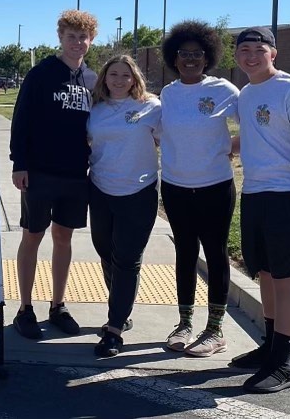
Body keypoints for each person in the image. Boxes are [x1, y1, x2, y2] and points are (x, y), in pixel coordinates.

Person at [9, 9, 98, 339]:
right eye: (71, 37)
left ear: (91, 41)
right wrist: (19, 163)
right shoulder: (42, 73)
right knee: (32, 236)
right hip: (40, 171)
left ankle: (57, 304)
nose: (77, 43)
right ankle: (25, 307)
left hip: (76, 173)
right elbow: (22, 119)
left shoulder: (92, 79)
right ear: (60, 38)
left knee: (64, 238)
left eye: (82, 37)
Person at [159, 20, 239, 357]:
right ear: (174, 58)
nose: (190, 59)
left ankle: (215, 329)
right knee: (185, 253)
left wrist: (232, 146)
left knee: (216, 253)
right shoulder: (168, 92)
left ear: (207, 58)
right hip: (176, 187)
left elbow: (252, 124)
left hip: (215, 187)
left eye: (197, 54)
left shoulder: (224, 90)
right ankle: (184, 323)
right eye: (184, 54)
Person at [231, 27, 290, 393]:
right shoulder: (246, 93)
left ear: (273, 53)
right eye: (244, 50)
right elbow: (258, 136)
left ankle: (284, 362)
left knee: (289, 280)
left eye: (259, 49)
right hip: (255, 192)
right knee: (267, 274)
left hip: (286, 194)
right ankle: (270, 348)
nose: (251, 56)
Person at [88, 55, 161, 357]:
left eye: (125, 75)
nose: (119, 80)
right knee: (106, 251)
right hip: (101, 188)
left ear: (135, 79)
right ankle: (121, 308)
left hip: (139, 191)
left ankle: (114, 328)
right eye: (113, 74)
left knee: (128, 259)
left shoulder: (152, 107)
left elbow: (170, 141)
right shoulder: (95, 110)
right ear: (104, 78)